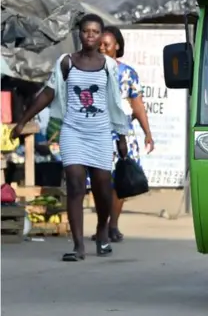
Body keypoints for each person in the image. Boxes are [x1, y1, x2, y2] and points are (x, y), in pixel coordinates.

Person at [10, 14, 129, 261]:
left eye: (95, 32)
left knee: (103, 189)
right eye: (86, 31)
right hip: (73, 131)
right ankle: (78, 246)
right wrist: (22, 121)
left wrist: (121, 134)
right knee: (75, 184)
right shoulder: (66, 62)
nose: (90, 36)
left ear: (100, 35)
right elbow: (49, 93)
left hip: (100, 133)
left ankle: (101, 230)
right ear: (79, 34)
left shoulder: (109, 65)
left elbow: (115, 102)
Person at [88, 26, 154, 243]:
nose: (103, 48)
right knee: (100, 182)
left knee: (120, 181)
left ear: (117, 46)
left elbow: (138, 105)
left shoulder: (128, 73)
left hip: (122, 136)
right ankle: (101, 225)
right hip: (96, 134)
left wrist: (147, 133)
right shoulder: (88, 70)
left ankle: (112, 225)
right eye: (100, 45)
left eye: (107, 44)